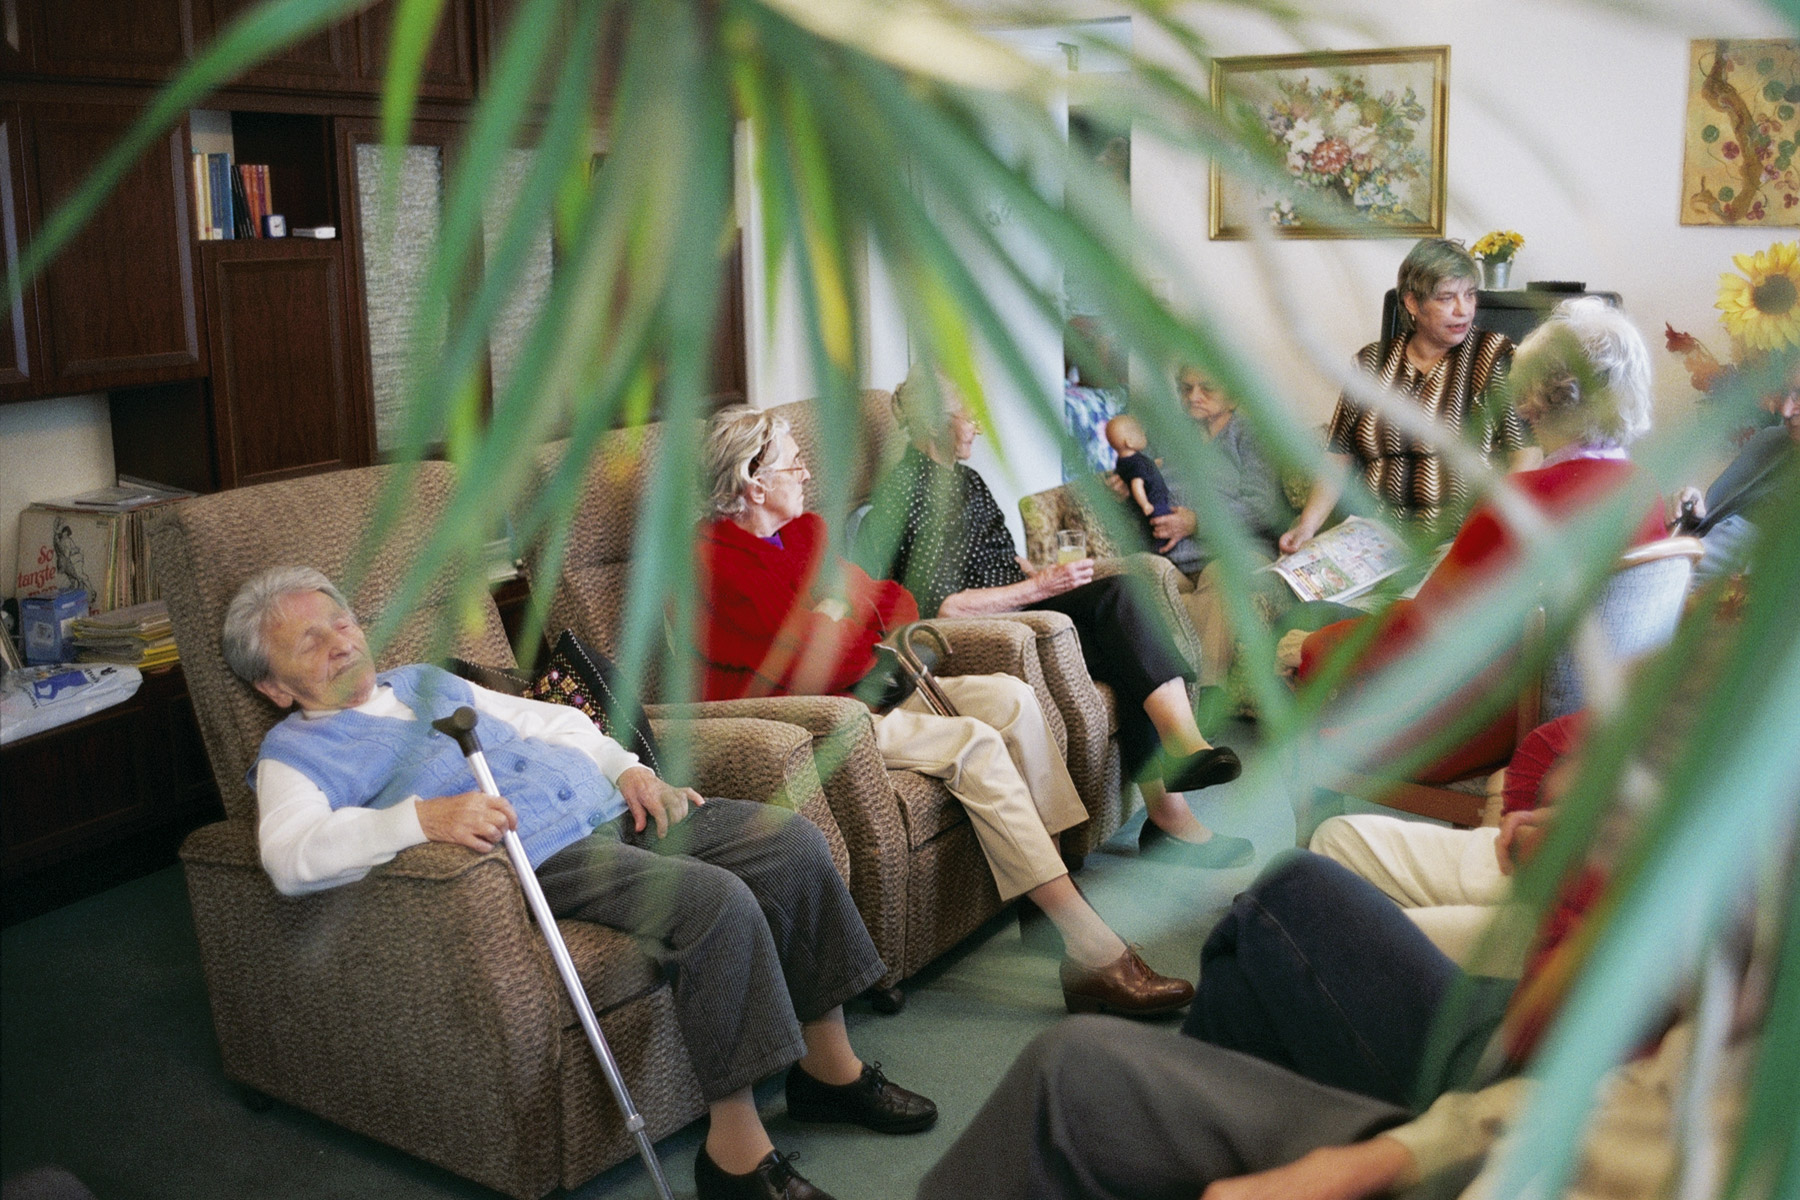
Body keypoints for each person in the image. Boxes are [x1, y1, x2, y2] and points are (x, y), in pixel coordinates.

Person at [224, 566, 937, 1200]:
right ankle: (737, 1158)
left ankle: (829, 1073)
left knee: (788, 842)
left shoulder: (418, 680)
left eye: (339, 620)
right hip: (544, 850)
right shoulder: (297, 751)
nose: (339, 641)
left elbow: (552, 719)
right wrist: (419, 818)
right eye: (307, 641)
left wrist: (626, 767)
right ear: (272, 686)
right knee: (716, 903)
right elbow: (289, 856)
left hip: (611, 804)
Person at [694, 408, 1196, 1016]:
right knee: (974, 744)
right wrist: (841, 623)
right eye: (792, 462)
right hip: (814, 718)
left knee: (1013, 699)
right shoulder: (713, 564)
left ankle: (1054, 889)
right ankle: (1088, 946)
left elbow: (896, 603)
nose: (805, 471)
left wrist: (839, 621)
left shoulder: (805, 535)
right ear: (753, 484)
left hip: (877, 684)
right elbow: (809, 664)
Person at [855, 368, 1252, 870]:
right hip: (988, 630)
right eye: (968, 415)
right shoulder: (911, 492)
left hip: (1021, 603)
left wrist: (1044, 573)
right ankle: (1176, 786)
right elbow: (945, 604)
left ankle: (1175, 790)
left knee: (1125, 605)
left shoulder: (967, 479)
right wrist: (1040, 588)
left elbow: (999, 555)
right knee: (1118, 614)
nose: (978, 424)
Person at [1295, 298, 1665, 781]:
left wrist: (1319, 645)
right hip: (1593, 728)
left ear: (1537, 402)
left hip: (1493, 726)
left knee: (1320, 657)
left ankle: (1322, 837)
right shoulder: (1645, 490)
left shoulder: (1521, 500)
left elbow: (1422, 632)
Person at [1282, 238, 1534, 553]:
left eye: (1470, 295)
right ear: (1413, 303)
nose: (1464, 310)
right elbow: (1338, 455)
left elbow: (1526, 454)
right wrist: (1307, 525)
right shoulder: (1369, 363)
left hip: (1457, 543)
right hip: (1374, 544)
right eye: (1446, 298)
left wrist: (1496, 532)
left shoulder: (1494, 357)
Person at [1309, 712, 1585, 967]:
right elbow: (1548, 751)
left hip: (1581, 919)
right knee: (1334, 839)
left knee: (1344, 943)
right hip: (1547, 855)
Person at [1140, 365, 1302, 689]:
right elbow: (1140, 473)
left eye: (1207, 387)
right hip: (1173, 559)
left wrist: (1196, 522)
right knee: (1136, 573)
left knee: (1223, 576)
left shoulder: (1250, 435)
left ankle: (1202, 696)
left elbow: (1263, 506)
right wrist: (1125, 480)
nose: (1193, 396)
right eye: (1186, 388)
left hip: (1236, 552)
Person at [1670, 367, 1798, 585]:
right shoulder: (1771, 442)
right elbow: (1714, 523)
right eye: (1787, 394)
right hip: (1681, 568)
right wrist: (1693, 515)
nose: (1785, 411)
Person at [1104, 413, 1176, 556]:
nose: (1144, 435)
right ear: (1129, 442)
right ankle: (1159, 549)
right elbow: (1137, 484)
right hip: (1155, 501)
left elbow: (1144, 469)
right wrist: (1145, 504)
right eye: (1140, 432)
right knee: (1160, 524)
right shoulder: (1137, 462)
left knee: (1148, 528)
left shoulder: (1123, 461)